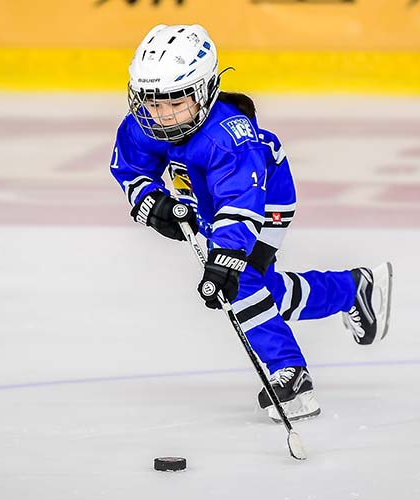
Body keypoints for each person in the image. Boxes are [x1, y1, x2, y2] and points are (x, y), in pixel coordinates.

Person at [110, 24, 393, 422]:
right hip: (212, 205)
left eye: (176, 100)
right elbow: (131, 169)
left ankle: (290, 374)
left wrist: (226, 258)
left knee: (241, 281)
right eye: (152, 101)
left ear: (205, 91)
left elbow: (240, 204)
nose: (162, 114)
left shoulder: (228, 138)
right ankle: (352, 289)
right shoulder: (143, 124)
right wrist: (152, 204)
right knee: (261, 290)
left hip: (265, 199)